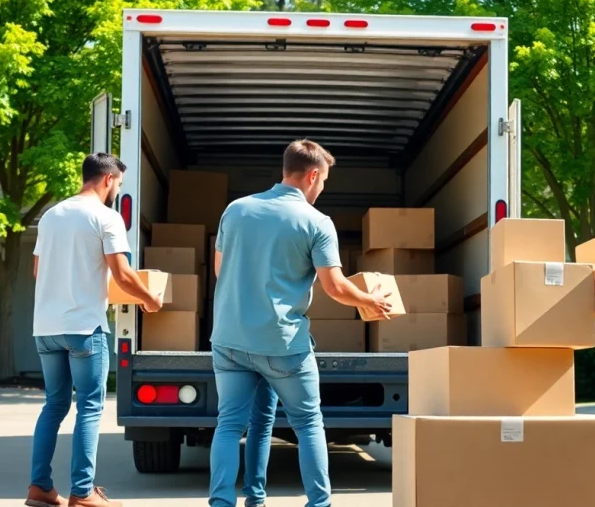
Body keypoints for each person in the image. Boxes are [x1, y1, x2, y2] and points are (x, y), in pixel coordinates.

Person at [208, 139, 393, 507]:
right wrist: (370, 300)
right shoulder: (316, 222)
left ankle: (237, 501)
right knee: (308, 424)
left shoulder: (236, 210)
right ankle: (318, 504)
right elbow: (335, 287)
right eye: (323, 180)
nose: (322, 188)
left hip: (229, 340)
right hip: (282, 344)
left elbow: (219, 270)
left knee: (232, 424)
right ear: (312, 175)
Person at [26, 153, 163, 507]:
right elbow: (122, 274)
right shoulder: (106, 217)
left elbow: (37, 273)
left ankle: (39, 487)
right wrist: (150, 299)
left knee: (53, 406)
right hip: (84, 328)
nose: (118, 189)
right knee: (89, 407)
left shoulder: (51, 215)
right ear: (107, 180)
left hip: (46, 329)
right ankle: (83, 492)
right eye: (118, 183)